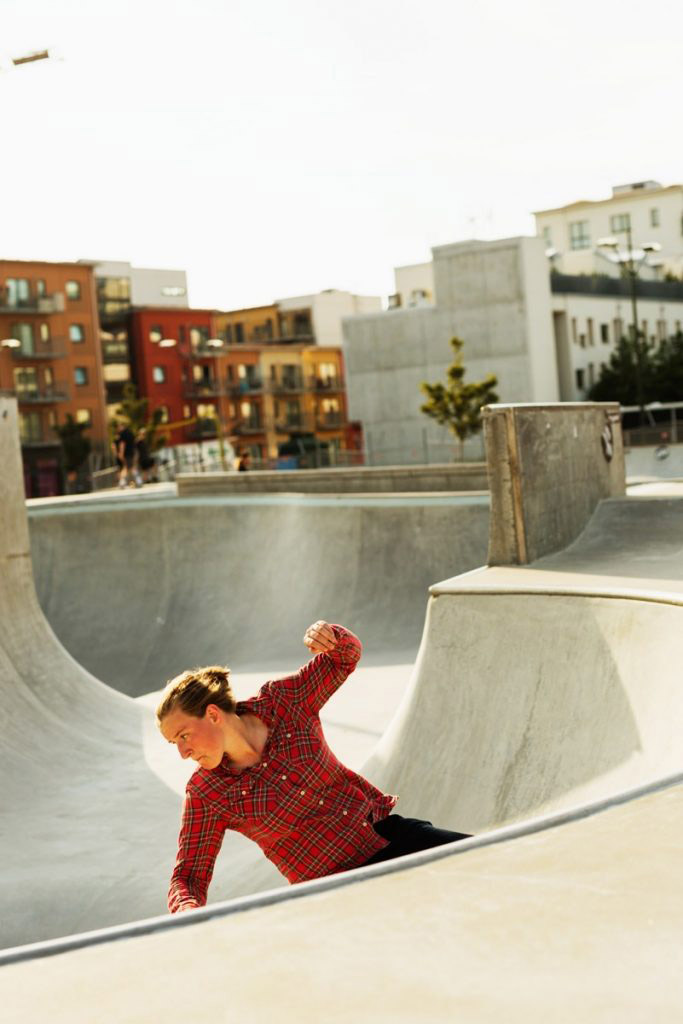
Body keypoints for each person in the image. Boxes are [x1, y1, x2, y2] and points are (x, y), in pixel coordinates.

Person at [157, 621, 471, 913]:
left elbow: (344, 659)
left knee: (488, 856)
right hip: (334, 893)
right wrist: (187, 911)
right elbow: (188, 877)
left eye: (184, 736)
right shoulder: (206, 793)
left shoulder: (283, 702)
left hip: (388, 838)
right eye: (175, 743)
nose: (183, 753)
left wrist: (331, 636)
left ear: (213, 715)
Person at [112, 419, 141, 488]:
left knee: (127, 467)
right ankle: (136, 481)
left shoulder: (123, 434)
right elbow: (134, 443)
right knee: (130, 467)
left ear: (122, 426)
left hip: (127, 453)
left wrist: (121, 453)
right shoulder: (131, 433)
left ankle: (123, 482)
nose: (118, 428)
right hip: (132, 452)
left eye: (119, 426)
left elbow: (122, 444)